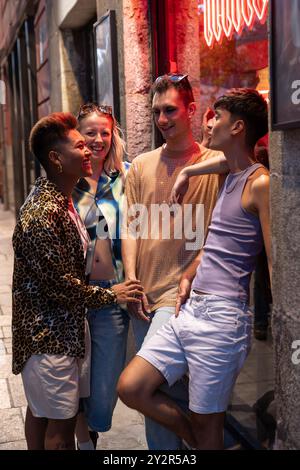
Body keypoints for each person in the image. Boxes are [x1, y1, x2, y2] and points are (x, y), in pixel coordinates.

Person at [118, 88, 271, 450]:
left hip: (222, 318)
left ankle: (198, 441)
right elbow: (215, 242)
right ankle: (192, 437)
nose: (210, 122)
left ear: (237, 127)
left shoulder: (259, 182)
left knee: (209, 428)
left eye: (216, 117)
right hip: (191, 308)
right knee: (130, 386)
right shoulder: (230, 174)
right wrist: (189, 171)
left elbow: (276, 256)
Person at [11, 112, 143, 450]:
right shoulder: (43, 212)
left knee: (44, 414)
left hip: (62, 329)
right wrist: (112, 294)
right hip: (49, 336)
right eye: (81, 144)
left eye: (99, 138)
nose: (90, 150)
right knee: (60, 423)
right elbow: (61, 286)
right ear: (56, 158)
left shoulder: (61, 200)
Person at [121, 73, 223, 449]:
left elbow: (246, 158)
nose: (162, 119)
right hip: (144, 298)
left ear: (192, 110)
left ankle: (198, 439)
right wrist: (131, 279)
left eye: (170, 110)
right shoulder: (142, 165)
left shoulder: (215, 163)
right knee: (162, 397)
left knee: (145, 388)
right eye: (156, 112)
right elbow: (129, 227)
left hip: (185, 300)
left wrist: (193, 167)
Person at [72, 103, 131, 450]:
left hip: (112, 295)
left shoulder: (125, 176)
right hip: (75, 296)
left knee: (105, 390)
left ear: (113, 135)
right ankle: (84, 441)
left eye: (104, 132)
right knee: (75, 380)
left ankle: (91, 428)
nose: (97, 139)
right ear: (77, 136)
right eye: (90, 132)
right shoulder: (63, 178)